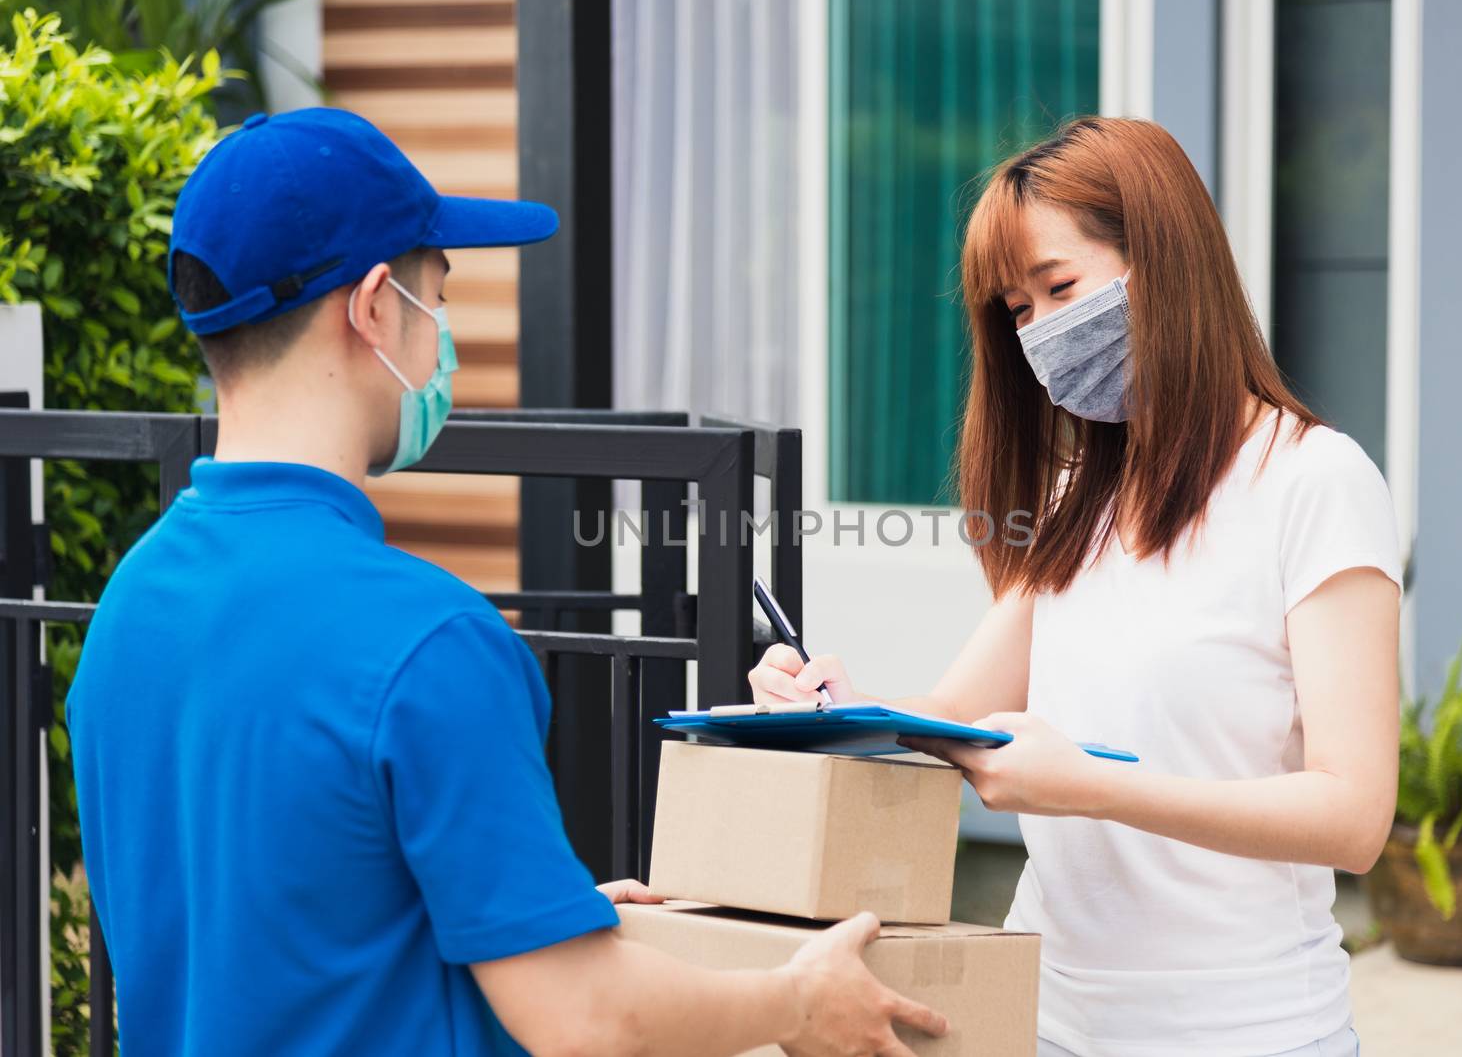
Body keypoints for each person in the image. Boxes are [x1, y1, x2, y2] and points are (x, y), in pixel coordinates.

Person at [66, 107, 946, 1057]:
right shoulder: (428, 639)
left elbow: (278, 932)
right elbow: (584, 1019)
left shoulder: (132, 607)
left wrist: (535, 925)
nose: (442, 336)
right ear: (370, 308)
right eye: (435, 295)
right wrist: (798, 1000)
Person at [749, 117, 1400, 1057]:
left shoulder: (1314, 481)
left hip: (1246, 1029)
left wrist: (1094, 787)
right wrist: (826, 704)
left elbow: (1352, 816)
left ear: (1167, 262)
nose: (1041, 333)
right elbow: (952, 713)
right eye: (1016, 310)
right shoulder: (1074, 496)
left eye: (1060, 288)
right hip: (1047, 1020)